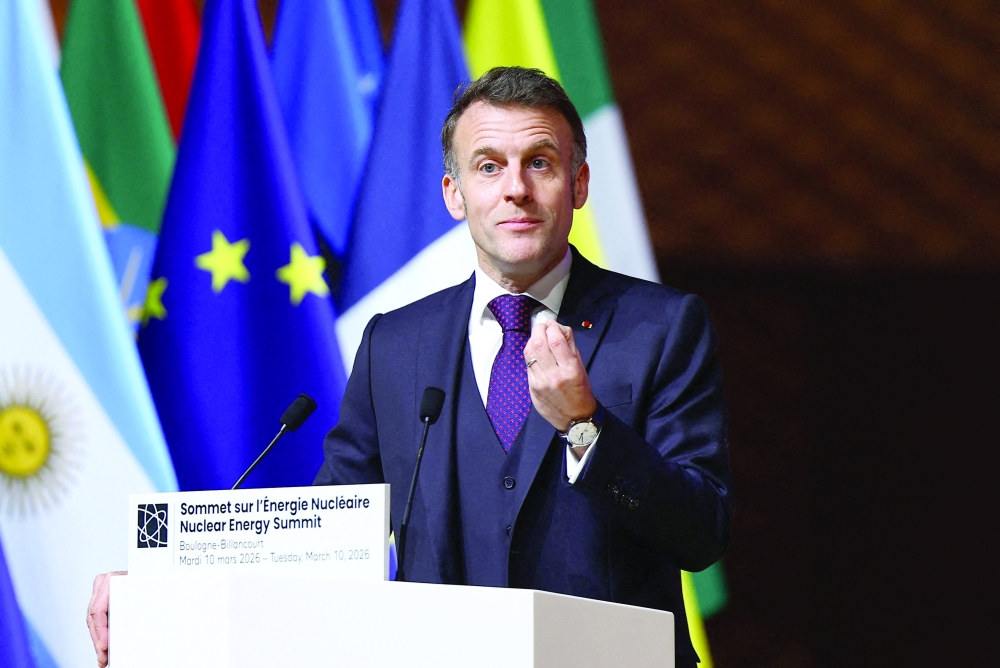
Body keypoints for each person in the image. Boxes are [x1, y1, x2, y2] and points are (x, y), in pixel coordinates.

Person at [88, 66, 732, 667]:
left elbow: (701, 533)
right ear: (455, 194)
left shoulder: (662, 326)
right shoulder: (396, 344)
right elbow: (319, 538)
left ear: (580, 184)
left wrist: (587, 427)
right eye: (489, 167)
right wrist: (162, 592)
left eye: (540, 163)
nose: (516, 188)